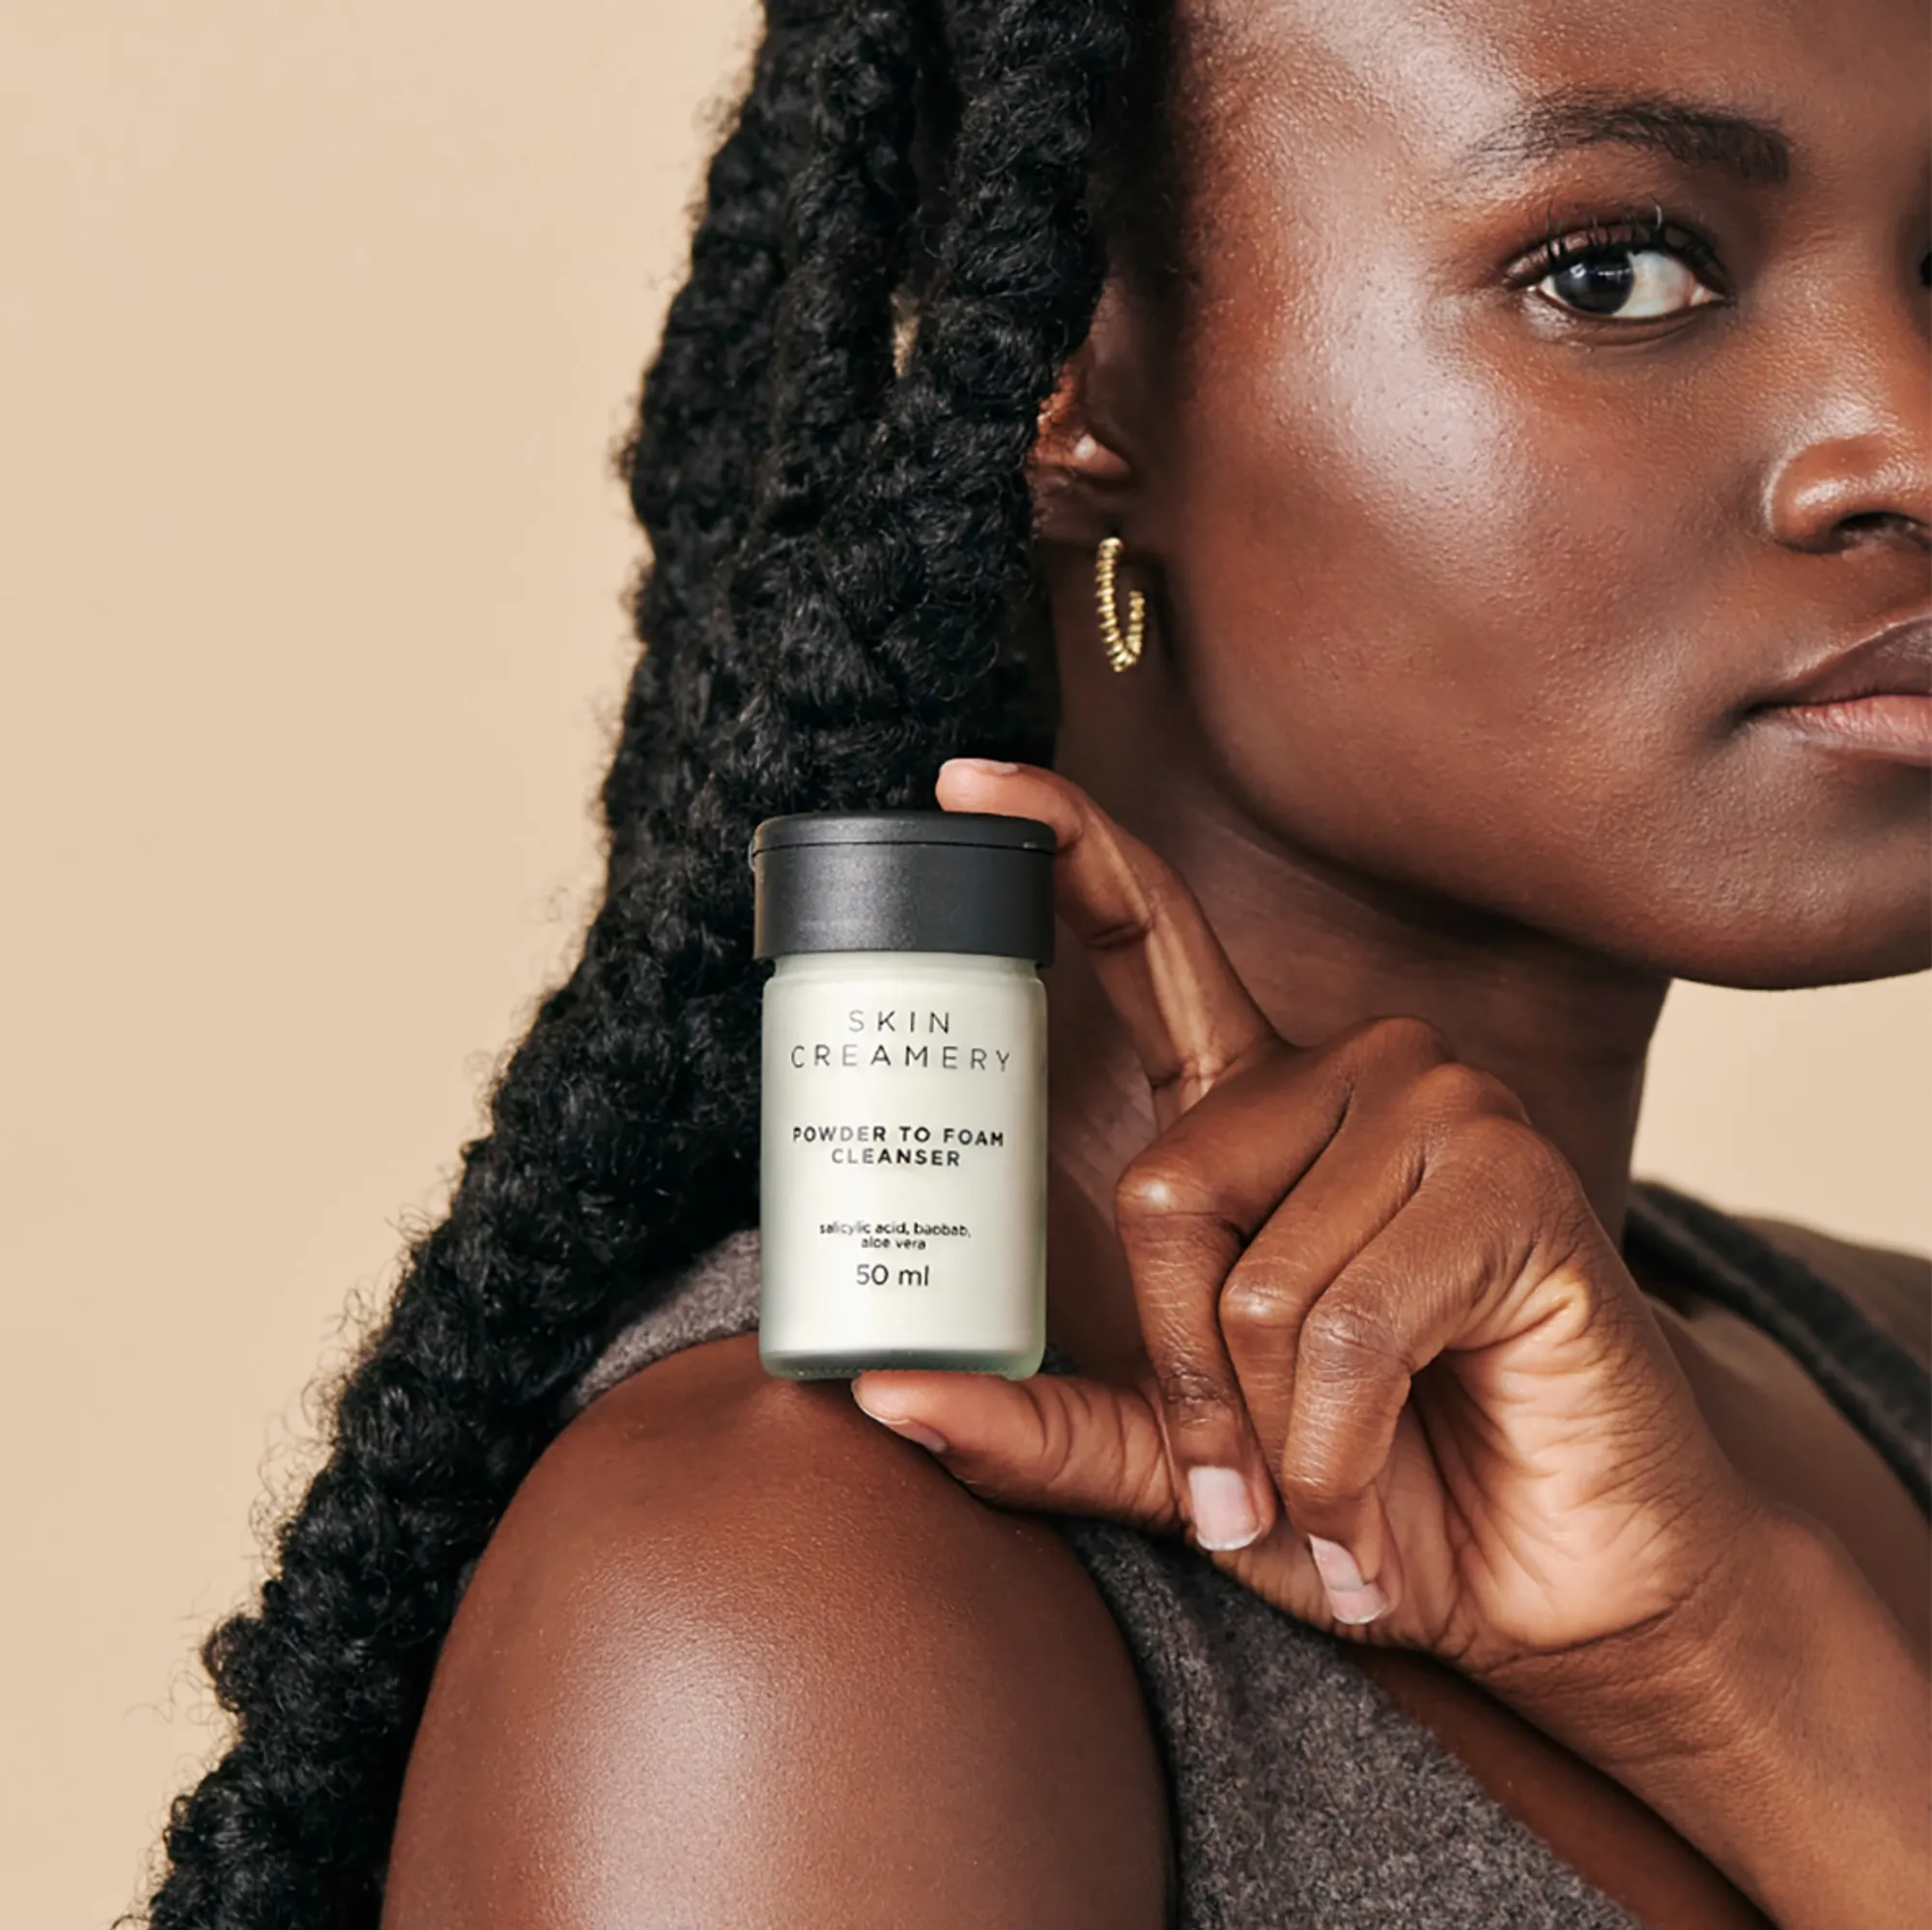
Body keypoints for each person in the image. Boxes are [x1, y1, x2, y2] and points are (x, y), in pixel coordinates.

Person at [143, 0, 1930, 1925]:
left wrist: (1751, 1685)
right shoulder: (791, 1615)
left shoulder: (1877, 1361)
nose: (1906, 442)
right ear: (1075, 376)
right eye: (1614, 271)